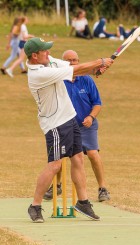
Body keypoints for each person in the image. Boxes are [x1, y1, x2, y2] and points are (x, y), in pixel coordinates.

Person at [24, 37, 113, 223]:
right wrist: (100, 61)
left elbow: (76, 71)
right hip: (55, 124)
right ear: (34, 56)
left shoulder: (49, 60)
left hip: (70, 118)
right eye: (44, 51)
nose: (49, 53)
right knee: (55, 165)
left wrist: (95, 69)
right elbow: (74, 69)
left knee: (78, 159)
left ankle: (82, 202)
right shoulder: (38, 73)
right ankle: (35, 205)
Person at [43, 50, 110, 202]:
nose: (73, 63)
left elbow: (97, 103)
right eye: (69, 61)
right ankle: (57, 185)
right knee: (60, 156)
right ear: (62, 63)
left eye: (75, 60)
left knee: (93, 154)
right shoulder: (59, 80)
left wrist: (91, 117)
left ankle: (102, 188)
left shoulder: (87, 80)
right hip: (64, 124)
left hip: (86, 124)